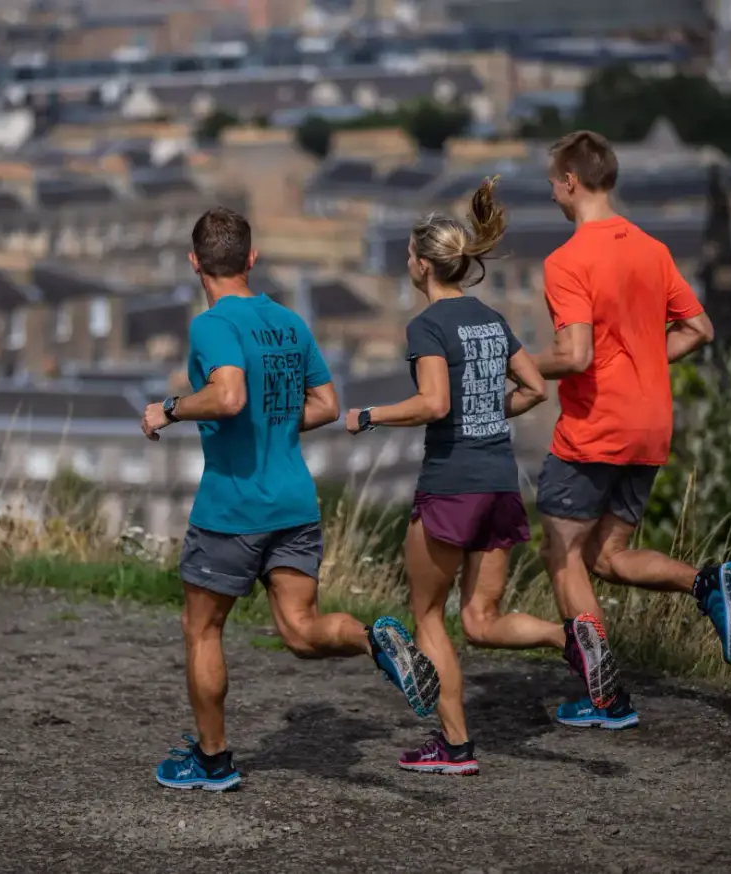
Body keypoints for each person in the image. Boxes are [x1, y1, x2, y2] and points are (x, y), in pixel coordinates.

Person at [140, 206, 440, 792]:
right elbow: (327, 406)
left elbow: (227, 397)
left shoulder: (211, 325)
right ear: (252, 260)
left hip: (233, 507)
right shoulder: (289, 322)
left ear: (194, 262)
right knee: (301, 631)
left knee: (202, 631)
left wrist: (170, 408)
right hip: (295, 503)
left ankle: (213, 760)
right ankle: (373, 640)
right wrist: (272, 418)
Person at [532, 130, 731, 730]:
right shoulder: (651, 249)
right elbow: (701, 328)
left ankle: (604, 695)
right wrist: (639, 360)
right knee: (607, 555)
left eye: (554, 180)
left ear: (572, 182)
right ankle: (708, 581)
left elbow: (574, 354)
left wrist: (518, 363)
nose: (552, 191)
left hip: (595, 427)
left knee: (562, 553)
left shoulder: (567, 260)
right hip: (651, 423)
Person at [346, 177, 561, 777]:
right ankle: (569, 635)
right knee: (481, 620)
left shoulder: (428, 326)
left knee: (429, 617)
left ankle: (456, 746)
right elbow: (537, 388)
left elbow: (435, 404)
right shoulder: (491, 319)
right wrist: (491, 411)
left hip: (451, 481)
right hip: (500, 481)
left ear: (421, 265)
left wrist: (371, 416)